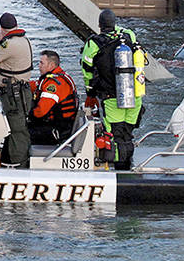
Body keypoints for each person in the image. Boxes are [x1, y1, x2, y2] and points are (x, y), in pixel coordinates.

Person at [81, 9, 148, 169]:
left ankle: (119, 170)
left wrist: (90, 93)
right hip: (134, 95)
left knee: (115, 134)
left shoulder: (93, 43)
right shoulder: (129, 35)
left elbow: (87, 70)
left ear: (99, 25)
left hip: (111, 96)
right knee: (127, 133)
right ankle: (128, 165)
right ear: (115, 22)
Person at [0, 12, 34, 167]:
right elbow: (4, 33)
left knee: (17, 129)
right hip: (16, 92)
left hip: (14, 95)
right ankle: (9, 159)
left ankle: (18, 163)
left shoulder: (8, 45)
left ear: (4, 30)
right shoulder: (21, 39)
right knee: (14, 126)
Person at [28, 50, 78, 145]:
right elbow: (36, 85)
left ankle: (16, 159)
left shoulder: (54, 84)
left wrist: (28, 114)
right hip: (61, 127)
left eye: (41, 63)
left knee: (19, 135)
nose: (39, 66)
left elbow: (40, 112)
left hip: (56, 131)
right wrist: (21, 84)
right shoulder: (57, 77)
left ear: (51, 65)